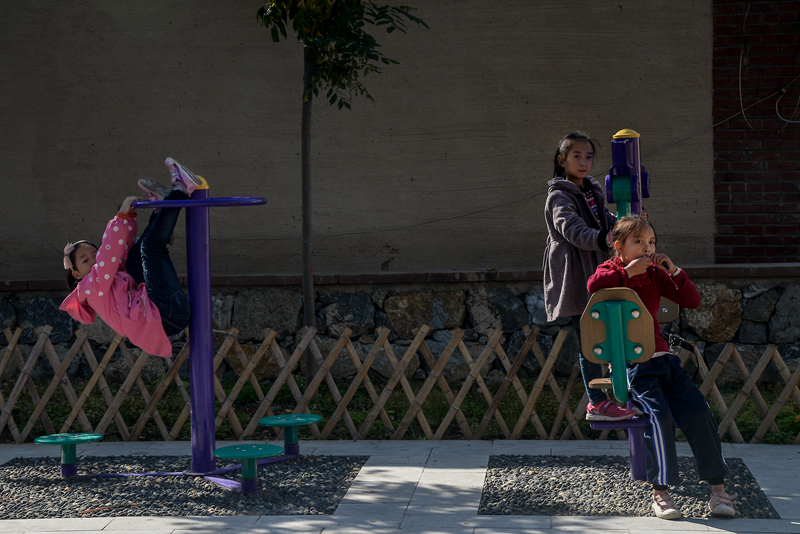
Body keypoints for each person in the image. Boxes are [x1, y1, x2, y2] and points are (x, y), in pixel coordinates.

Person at [587, 216, 737, 520]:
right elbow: (593, 286)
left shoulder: (655, 274)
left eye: (652, 242)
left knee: (699, 409)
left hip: (665, 359)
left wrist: (674, 271)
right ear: (619, 247)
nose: (647, 248)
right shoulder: (610, 270)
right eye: (639, 242)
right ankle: (661, 493)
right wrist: (627, 273)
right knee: (658, 416)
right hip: (633, 365)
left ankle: (718, 490)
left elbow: (691, 300)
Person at [60, 158, 206, 357]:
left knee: (134, 259)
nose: (93, 259)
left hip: (159, 310)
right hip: (164, 315)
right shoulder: (90, 287)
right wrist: (120, 217)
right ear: (77, 274)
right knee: (151, 248)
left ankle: (162, 208)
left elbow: (121, 251)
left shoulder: (107, 277)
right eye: (85, 260)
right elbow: (108, 255)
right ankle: (181, 188)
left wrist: (127, 219)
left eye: (94, 253)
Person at [543, 131, 636, 421]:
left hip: (595, 270)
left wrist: (628, 225)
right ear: (562, 160)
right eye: (577, 156)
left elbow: (607, 222)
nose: (584, 162)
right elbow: (573, 230)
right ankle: (597, 403)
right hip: (575, 273)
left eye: (589, 157)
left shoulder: (592, 190)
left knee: (609, 329)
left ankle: (623, 384)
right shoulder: (559, 196)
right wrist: (606, 238)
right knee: (589, 339)